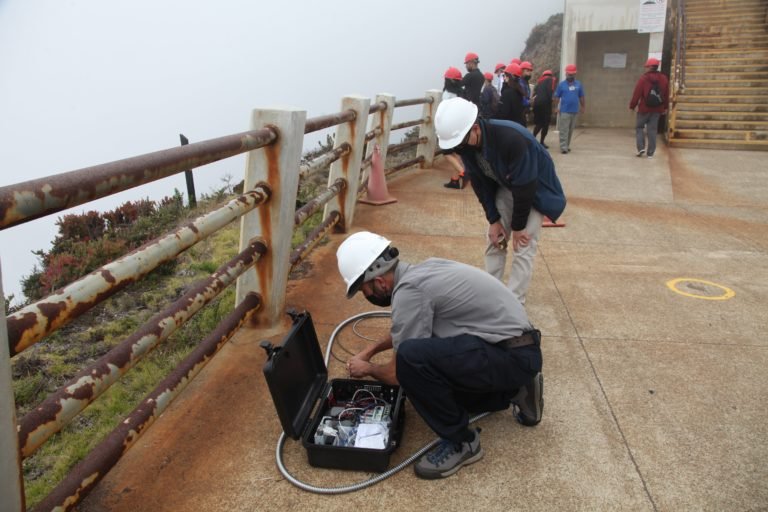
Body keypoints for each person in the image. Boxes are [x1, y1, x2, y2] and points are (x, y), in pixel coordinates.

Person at [337, 231, 544, 480]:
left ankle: (463, 443)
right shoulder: (424, 271)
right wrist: (369, 352)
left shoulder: (409, 292)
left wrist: (368, 369)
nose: (366, 296)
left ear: (379, 282)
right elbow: (404, 329)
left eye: (364, 290)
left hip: (511, 357)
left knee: (412, 363)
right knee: (433, 376)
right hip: (516, 349)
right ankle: (515, 390)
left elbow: (397, 374)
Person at [434, 97, 566, 305]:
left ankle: (514, 305)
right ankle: (489, 298)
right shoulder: (467, 146)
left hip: (535, 191)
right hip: (507, 184)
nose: (459, 150)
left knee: (523, 245)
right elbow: (480, 184)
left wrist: (519, 226)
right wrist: (494, 220)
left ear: (475, 128)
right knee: (495, 240)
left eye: (459, 143)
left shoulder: (511, 139)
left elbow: (526, 186)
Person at [629, 57, 669, 159]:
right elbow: (666, 94)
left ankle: (641, 148)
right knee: (652, 130)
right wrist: (665, 107)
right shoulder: (664, 79)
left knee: (639, 127)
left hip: (644, 109)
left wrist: (632, 106)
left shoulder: (643, 79)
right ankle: (650, 153)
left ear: (650, 67)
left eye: (646, 66)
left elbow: (636, 94)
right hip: (657, 110)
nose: (645, 68)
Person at [441, 67, 468, 189]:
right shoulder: (461, 92)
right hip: (460, 126)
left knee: (446, 152)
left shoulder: (447, 94)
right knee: (457, 153)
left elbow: (444, 111)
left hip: (449, 126)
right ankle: (454, 180)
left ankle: (463, 172)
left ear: (449, 80)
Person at [554, 64, 585, 154]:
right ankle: (563, 147)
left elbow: (581, 96)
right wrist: (556, 107)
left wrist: (583, 107)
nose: (570, 76)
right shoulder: (561, 85)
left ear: (575, 74)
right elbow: (556, 97)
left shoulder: (578, 84)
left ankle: (567, 145)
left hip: (574, 111)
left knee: (570, 130)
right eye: (569, 74)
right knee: (564, 129)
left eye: (572, 74)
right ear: (566, 74)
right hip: (564, 111)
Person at [532, 70, 556, 148]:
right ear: (550, 75)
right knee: (545, 124)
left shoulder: (539, 82)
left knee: (538, 123)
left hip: (537, 105)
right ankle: (541, 142)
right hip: (545, 105)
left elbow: (534, 94)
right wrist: (552, 103)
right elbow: (550, 93)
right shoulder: (551, 80)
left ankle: (532, 140)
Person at [519, 61, 534, 125]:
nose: (529, 73)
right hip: (520, 111)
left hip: (524, 111)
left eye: (530, 71)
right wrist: (529, 102)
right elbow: (521, 98)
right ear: (521, 71)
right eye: (527, 71)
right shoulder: (520, 83)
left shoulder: (525, 82)